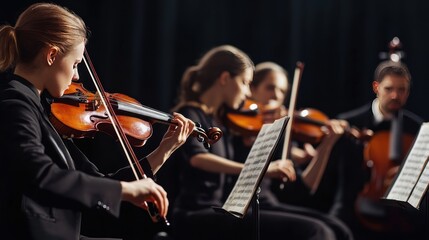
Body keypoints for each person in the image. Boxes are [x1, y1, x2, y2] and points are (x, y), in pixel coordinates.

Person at [0, 3, 195, 240]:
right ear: (51, 55)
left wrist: (164, 150)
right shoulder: (15, 104)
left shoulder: (39, 110)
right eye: (74, 64)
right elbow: (40, 174)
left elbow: (98, 182)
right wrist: (125, 190)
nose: (77, 76)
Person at [168, 45, 346, 240]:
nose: (247, 93)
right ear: (225, 78)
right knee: (316, 231)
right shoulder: (190, 113)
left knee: (336, 229)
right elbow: (198, 158)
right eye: (245, 83)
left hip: (221, 211)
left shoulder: (220, 120)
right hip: (195, 214)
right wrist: (262, 169)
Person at [231, 61, 354, 240]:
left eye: (282, 91)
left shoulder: (282, 132)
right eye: (270, 88)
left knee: (341, 230)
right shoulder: (238, 126)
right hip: (244, 205)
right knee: (321, 231)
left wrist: (326, 146)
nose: (276, 96)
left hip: (269, 203)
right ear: (252, 88)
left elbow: (302, 191)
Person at [332, 60, 426, 240]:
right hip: (353, 202)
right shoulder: (350, 122)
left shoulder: (417, 128)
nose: (395, 95)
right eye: (389, 89)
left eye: (402, 90)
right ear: (376, 87)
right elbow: (340, 176)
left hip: (400, 210)